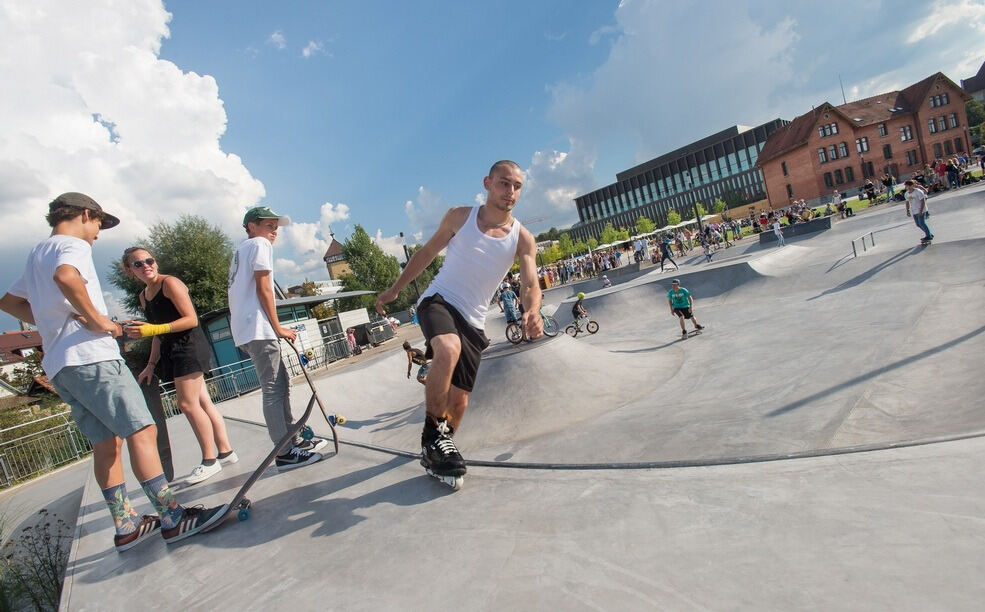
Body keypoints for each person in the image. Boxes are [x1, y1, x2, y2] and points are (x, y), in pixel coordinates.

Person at [0, 193, 226, 551]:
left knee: (106, 444)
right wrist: (98, 321)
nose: (98, 235)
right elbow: (66, 277)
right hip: (92, 357)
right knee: (142, 428)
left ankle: (127, 525)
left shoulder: (35, 253)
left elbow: (8, 302)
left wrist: (50, 320)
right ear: (86, 215)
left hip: (61, 366)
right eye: (98, 226)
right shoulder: (70, 245)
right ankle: (172, 517)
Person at [375, 161, 542, 487]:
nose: (510, 192)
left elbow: (531, 282)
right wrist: (396, 288)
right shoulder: (459, 217)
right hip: (439, 301)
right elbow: (424, 254)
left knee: (460, 403)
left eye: (517, 186)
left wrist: (532, 310)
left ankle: (439, 448)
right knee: (448, 348)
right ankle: (432, 431)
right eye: (504, 184)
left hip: (474, 321)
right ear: (488, 183)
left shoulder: (523, 239)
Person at [122, 247, 237, 485]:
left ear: (155, 261)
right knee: (203, 402)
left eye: (149, 260)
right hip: (171, 351)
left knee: (186, 403)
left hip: (190, 346)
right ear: (129, 270)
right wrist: (151, 364)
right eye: (138, 264)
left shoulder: (170, 283)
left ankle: (209, 460)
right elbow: (156, 334)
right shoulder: (144, 296)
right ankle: (225, 452)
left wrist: (155, 329)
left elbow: (191, 319)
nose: (146, 266)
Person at [228, 206, 327, 472]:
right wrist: (277, 326)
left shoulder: (241, 250)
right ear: (252, 226)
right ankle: (284, 453)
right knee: (273, 387)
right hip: (258, 327)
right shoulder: (259, 244)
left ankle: (292, 441)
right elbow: (263, 288)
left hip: (247, 328)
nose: (274, 232)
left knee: (281, 383)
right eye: (269, 225)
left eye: (276, 227)